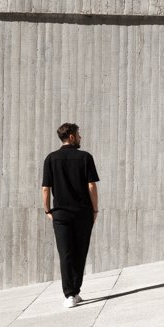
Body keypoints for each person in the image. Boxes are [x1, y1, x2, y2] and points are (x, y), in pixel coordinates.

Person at [41, 122, 99, 308]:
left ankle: (70, 295)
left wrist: (47, 210)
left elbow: (45, 188)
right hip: (83, 213)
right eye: (79, 134)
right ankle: (76, 290)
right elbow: (91, 186)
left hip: (61, 216)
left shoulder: (51, 159)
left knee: (65, 254)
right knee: (80, 252)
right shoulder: (85, 157)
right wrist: (95, 210)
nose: (81, 137)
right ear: (72, 136)